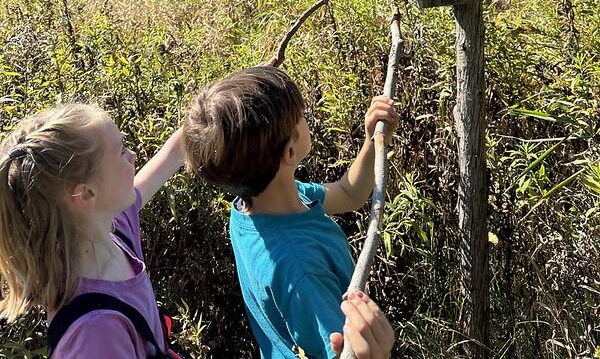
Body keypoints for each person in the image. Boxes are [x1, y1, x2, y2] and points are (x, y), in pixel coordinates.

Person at [183, 66, 399, 359]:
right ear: (289, 153)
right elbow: (342, 353)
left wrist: (372, 141)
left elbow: (348, 193)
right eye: (301, 117)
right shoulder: (301, 271)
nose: (306, 118)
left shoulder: (254, 206)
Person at [0, 102, 185, 358]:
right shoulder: (96, 332)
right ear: (86, 193)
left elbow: (174, 153)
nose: (133, 155)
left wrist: (239, 89)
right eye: (121, 151)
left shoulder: (115, 231)